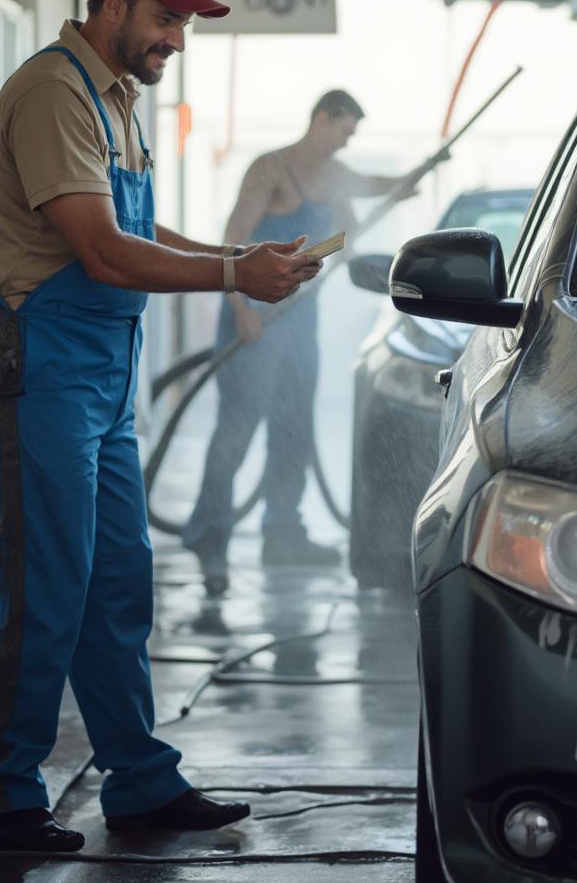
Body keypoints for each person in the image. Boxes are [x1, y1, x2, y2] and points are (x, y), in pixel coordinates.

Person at [0, 0, 321, 853]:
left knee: (119, 581)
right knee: (45, 584)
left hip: (101, 369)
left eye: (185, 23)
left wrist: (243, 259)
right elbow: (103, 250)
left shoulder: (115, 98)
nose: (177, 41)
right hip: (41, 364)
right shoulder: (51, 92)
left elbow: (134, 226)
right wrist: (238, 279)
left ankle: (140, 782)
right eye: (166, 19)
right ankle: (3, 798)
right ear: (111, 6)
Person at [182, 91, 432, 597]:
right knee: (236, 431)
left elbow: (346, 230)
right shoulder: (270, 170)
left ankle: (284, 534)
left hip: (300, 324)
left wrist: (403, 188)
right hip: (256, 320)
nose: (346, 142)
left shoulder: (334, 180)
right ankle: (210, 540)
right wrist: (241, 311)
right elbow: (232, 241)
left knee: (293, 428)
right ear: (321, 119)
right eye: (343, 131)